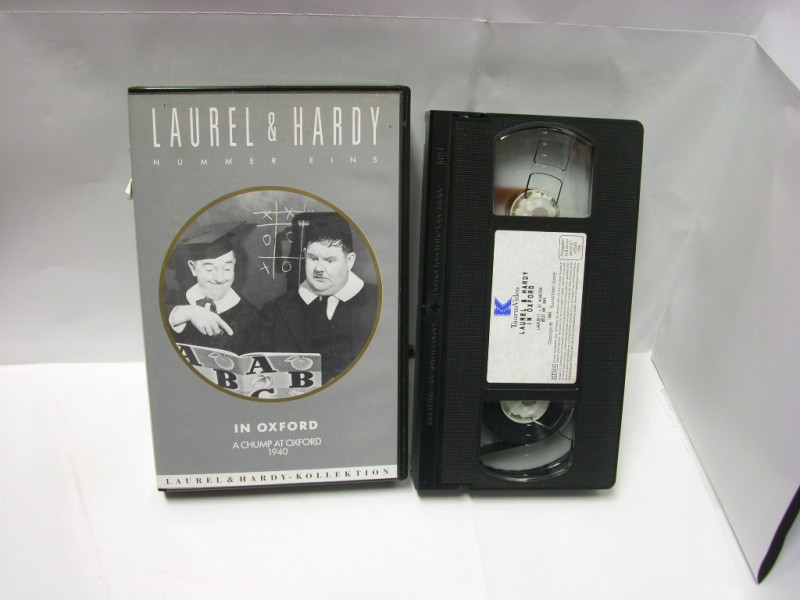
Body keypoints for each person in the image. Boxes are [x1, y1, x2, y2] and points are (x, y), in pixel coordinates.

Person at [260, 211, 379, 384]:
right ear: (304, 254)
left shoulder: (379, 303)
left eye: (330, 260)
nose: (319, 269)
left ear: (349, 260)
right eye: (313, 258)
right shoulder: (276, 311)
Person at [166, 221, 264, 356]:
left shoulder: (251, 316)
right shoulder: (173, 300)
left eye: (227, 268)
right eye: (209, 269)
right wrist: (187, 312)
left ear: (234, 265)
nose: (219, 278)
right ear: (193, 268)